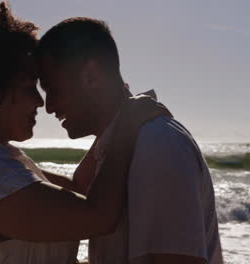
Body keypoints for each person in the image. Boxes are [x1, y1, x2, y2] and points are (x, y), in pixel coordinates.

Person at [0, 2, 155, 263]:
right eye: (30, 88)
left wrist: (114, 108)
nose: (40, 102)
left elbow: (81, 187)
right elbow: (99, 216)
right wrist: (127, 122)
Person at [36, 17, 224, 264]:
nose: (48, 107)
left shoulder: (156, 145)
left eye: (53, 89)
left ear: (90, 76)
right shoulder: (118, 144)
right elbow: (80, 190)